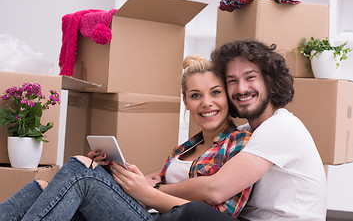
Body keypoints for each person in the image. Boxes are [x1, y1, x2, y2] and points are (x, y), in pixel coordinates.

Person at [0, 55, 252, 220]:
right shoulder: (185, 149)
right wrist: (118, 174)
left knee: (80, 171)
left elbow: (219, 215)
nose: (206, 103)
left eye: (215, 93)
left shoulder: (240, 143)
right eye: (196, 95)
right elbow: (149, 189)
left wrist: (146, 192)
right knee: (47, 187)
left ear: (228, 96)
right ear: (186, 102)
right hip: (144, 212)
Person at [155, 40, 327, 221]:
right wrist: (144, 180)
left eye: (250, 77)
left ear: (270, 81)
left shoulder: (281, 126)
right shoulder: (245, 133)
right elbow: (187, 168)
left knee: (194, 212)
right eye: (232, 81)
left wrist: (154, 190)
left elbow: (215, 190)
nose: (242, 89)